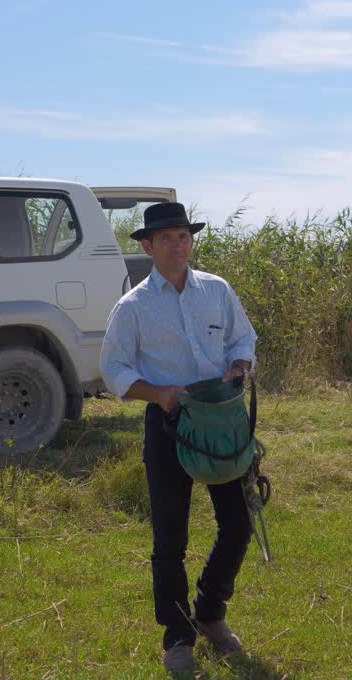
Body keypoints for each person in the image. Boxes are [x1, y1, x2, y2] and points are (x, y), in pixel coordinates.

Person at [99, 201, 258, 674]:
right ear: (148, 247)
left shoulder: (217, 290)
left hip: (221, 420)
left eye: (183, 236)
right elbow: (113, 369)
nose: (176, 245)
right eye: (165, 238)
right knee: (170, 538)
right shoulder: (132, 307)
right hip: (168, 424)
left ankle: (209, 612)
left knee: (238, 524)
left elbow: (243, 339)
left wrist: (238, 366)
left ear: (191, 241)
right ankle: (177, 637)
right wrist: (159, 394)